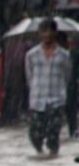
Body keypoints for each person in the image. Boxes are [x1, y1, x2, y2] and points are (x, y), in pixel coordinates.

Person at [24, 18, 71, 157]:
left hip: (57, 99)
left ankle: (53, 154)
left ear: (55, 32)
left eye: (50, 31)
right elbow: (29, 76)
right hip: (37, 99)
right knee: (34, 134)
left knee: (53, 133)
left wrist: (62, 93)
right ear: (39, 34)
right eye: (44, 31)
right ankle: (39, 153)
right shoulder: (31, 55)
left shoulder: (64, 55)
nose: (47, 34)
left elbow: (67, 76)